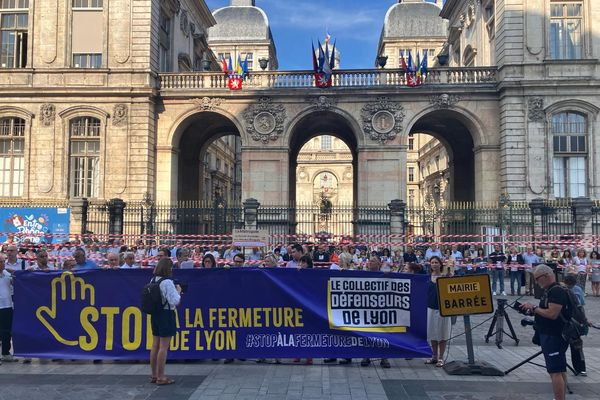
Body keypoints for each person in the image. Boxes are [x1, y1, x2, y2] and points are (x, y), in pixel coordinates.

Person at [520, 265, 570, 400]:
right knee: (559, 370)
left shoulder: (556, 291)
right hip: (549, 334)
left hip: (554, 335)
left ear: (547, 275)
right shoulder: (550, 290)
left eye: (537, 279)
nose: (536, 282)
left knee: (555, 372)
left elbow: (552, 313)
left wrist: (534, 308)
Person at [149, 258, 181, 386]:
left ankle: (154, 374)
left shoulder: (153, 280)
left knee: (155, 345)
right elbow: (175, 301)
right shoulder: (167, 282)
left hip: (155, 314)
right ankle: (161, 376)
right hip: (166, 314)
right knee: (163, 347)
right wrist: (178, 291)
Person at [360, 255, 391, 369]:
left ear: (379, 263)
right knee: (367, 332)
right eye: (370, 261)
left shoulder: (385, 274)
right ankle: (366, 356)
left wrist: (389, 275)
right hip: (367, 308)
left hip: (381, 308)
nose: (371, 263)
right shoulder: (362, 274)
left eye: (373, 261)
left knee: (382, 332)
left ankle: (384, 357)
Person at [425, 256, 451, 368]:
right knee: (432, 334)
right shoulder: (427, 277)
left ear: (440, 264)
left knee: (442, 333)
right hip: (430, 308)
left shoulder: (445, 277)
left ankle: (441, 357)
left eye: (436, 262)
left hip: (442, 309)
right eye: (432, 262)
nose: (434, 264)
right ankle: (434, 356)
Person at [562, 274, 587, 376]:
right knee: (577, 346)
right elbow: (581, 306)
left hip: (567, 321)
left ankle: (561, 366)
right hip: (576, 321)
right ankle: (581, 369)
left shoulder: (562, 290)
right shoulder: (578, 289)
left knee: (563, 345)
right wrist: (584, 319)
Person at [0, 254, 16, 362]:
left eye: (2, 262)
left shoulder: (7, 274)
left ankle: (6, 353)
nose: (2, 264)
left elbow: (16, 283)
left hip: (7, 306)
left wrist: (14, 273)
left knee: (6, 331)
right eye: (0, 262)